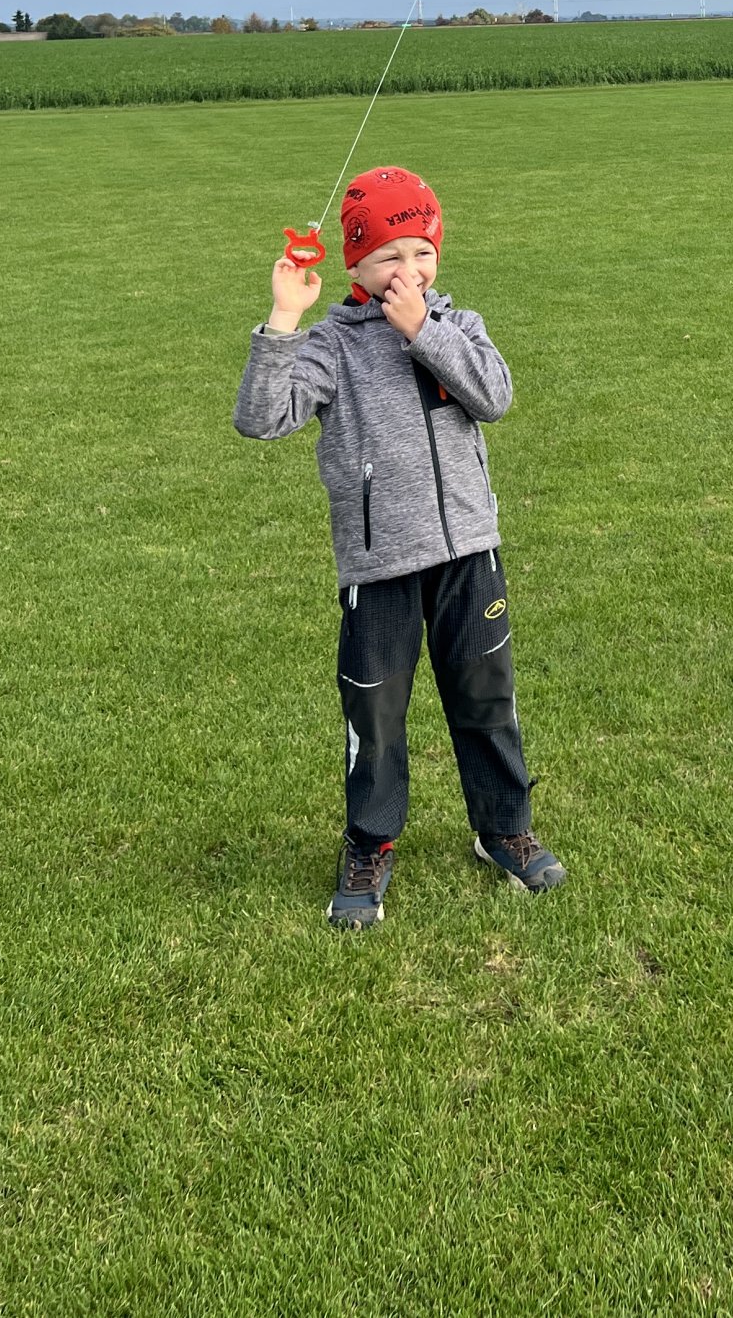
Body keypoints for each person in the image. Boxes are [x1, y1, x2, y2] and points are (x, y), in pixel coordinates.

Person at [234, 164, 567, 927]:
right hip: (379, 565)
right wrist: (284, 318)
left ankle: (503, 829)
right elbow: (261, 418)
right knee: (375, 714)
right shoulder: (331, 346)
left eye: (421, 253)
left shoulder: (458, 324)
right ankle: (370, 842)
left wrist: (424, 332)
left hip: (468, 554)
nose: (407, 271)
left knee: (486, 699)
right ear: (354, 264)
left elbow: (494, 396)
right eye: (388, 257)